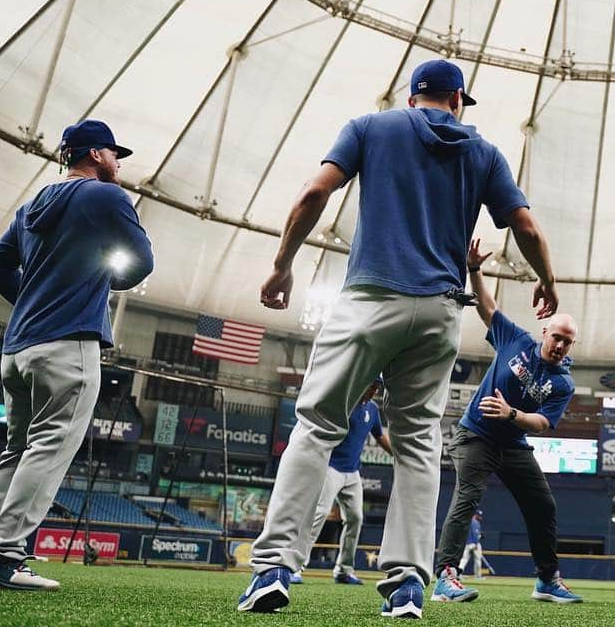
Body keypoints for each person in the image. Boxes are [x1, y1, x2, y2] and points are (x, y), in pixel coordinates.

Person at [239, 60, 557, 619]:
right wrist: (547, 280)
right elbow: (526, 228)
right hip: (438, 312)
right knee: (417, 445)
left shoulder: (369, 127)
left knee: (315, 426)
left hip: (367, 300)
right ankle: (409, 583)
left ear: (414, 98)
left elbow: (314, 194)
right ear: (457, 98)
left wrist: (283, 265)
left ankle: (274, 568)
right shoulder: (484, 153)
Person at [0, 120, 152, 590]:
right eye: (115, 154)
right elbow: (142, 261)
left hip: (17, 348)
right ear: (96, 154)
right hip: (68, 342)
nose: (118, 163)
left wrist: (36, 299)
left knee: (16, 450)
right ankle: (1, 555)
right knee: (49, 447)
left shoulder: (31, 203)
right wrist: (105, 281)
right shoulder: (106, 196)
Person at [431, 239, 581, 605]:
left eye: (568, 342)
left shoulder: (563, 382)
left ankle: (547, 580)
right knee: (468, 495)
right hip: (475, 435)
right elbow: (487, 308)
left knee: (543, 505)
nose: (560, 346)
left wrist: (513, 415)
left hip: (513, 443)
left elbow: (543, 424)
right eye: (557, 337)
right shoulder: (516, 340)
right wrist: (474, 270)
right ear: (545, 332)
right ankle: (446, 577)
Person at [294, 379, 392, 586]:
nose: (373, 390)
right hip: (331, 468)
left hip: (353, 472)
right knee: (319, 514)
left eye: (376, 388)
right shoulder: (343, 404)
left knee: (356, 518)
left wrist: (399, 456)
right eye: (370, 386)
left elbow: (380, 436)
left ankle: (343, 570)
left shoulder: (373, 410)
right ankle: (296, 566)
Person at [458, 511, 483, 579]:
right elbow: (475, 534)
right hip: (474, 544)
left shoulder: (467, 521)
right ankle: (478, 576)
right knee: (478, 560)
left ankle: (458, 574)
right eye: (479, 515)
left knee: (464, 560)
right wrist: (475, 543)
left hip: (466, 544)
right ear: (476, 515)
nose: (480, 517)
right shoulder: (475, 522)